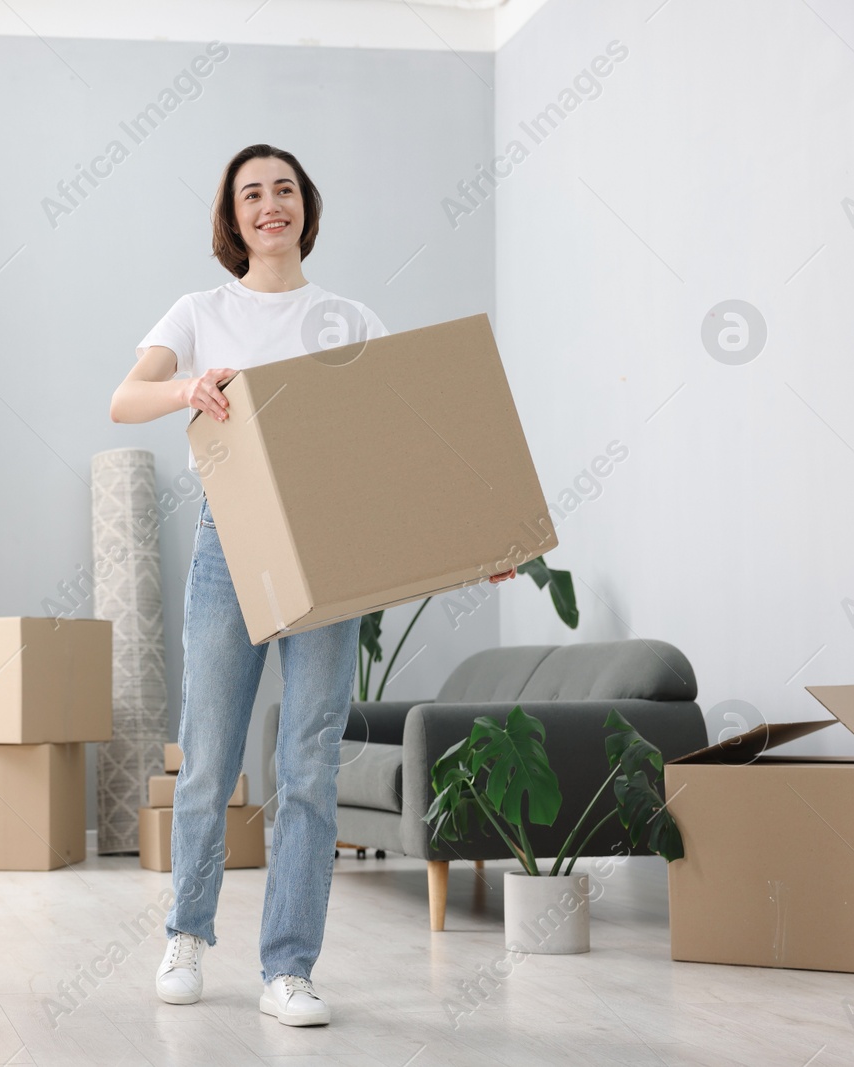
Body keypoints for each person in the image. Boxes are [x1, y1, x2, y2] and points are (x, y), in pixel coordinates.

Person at [110, 145, 514, 1027]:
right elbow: (123, 399)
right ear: (233, 214)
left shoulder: (347, 317)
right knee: (210, 755)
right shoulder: (200, 310)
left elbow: (408, 439)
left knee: (307, 766)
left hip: (333, 552)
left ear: (305, 207)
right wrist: (190, 387)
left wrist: (482, 536)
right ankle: (187, 933)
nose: (269, 205)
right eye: (251, 193)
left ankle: (288, 965)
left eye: (283, 190)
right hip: (231, 545)